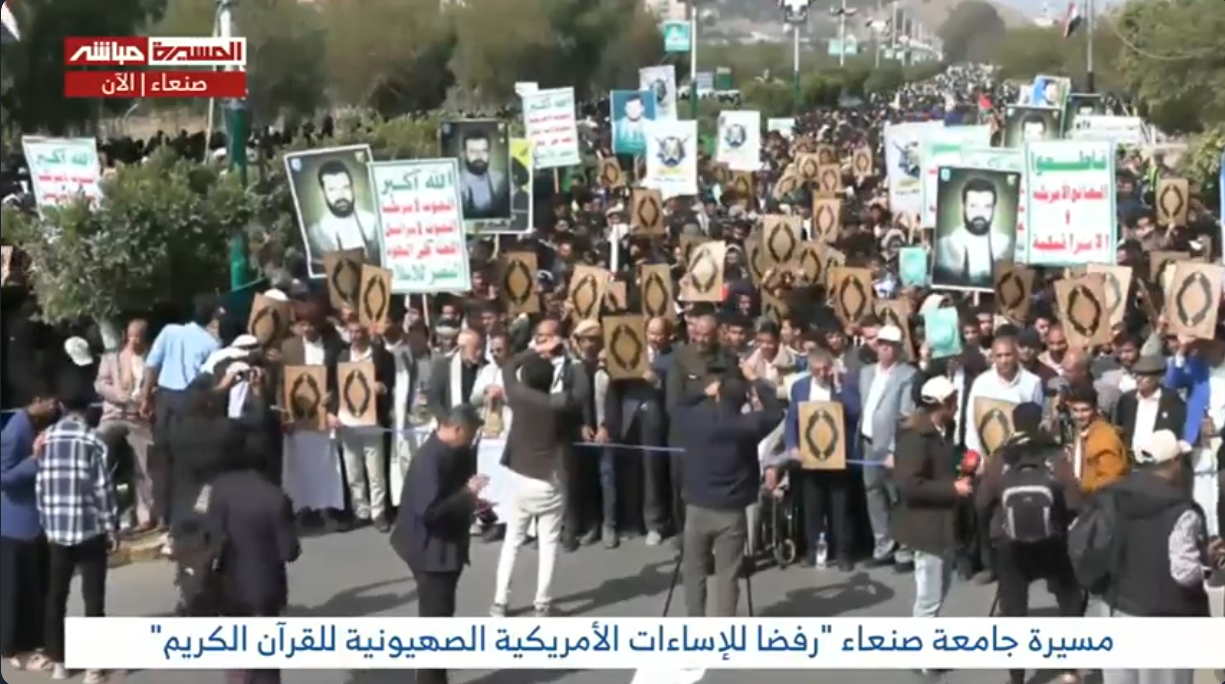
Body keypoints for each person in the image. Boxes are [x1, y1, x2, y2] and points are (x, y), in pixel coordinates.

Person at [1092, 430, 1214, 684]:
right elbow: (1184, 572)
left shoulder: (1114, 495)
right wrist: (1207, 564)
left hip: (1115, 612)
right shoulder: (1181, 510)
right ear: (1174, 462)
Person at [976, 402, 1084, 684]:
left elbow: (981, 502)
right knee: (1070, 599)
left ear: (1014, 424)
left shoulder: (1001, 458)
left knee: (1014, 611)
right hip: (1053, 542)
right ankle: (1069, 667)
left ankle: (1017, 676)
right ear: (1040, 423)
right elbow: (1074, 502)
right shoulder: (1055, 455)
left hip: (1011, 545)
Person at [675, 366, 783, 617]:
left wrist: (703, 392)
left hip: (697, 506)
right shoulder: (747, 425)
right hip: (731, 510)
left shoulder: (695, 420)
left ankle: (695, 620)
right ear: (743, 401)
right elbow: (776, 412)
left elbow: (676, 406)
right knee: (728, 575)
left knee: (694, 571)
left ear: (718, 394)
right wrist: (755, 380)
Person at [390, 405, 485, 684]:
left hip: (442, 549)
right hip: (431, 554)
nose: (470, 442)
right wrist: (467, 495)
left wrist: (471, 500)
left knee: (440, 618)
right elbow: (430, 511)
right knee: (435, 623)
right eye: (469, 435)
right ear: (457, 429)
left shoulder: (450, 452)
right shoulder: (429, 460)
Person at [37, 372, 119, 684]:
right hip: (89, 531)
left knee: (56, 596)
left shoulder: (46, 439)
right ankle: (94, 668)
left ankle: (58, 661)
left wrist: (47, 524)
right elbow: (102, 489)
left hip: (57, 532)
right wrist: (112, 527)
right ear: (88, 408)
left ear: (60, 405)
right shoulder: (93, 440)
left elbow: (41, 487)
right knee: (93, 598)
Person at [205, 420, 300, 684]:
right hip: (266, 591)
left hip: (230, 588)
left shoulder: (219, 488)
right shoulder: (275, 496)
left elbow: (213, 534)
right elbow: (289, 551)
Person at [490, 349, 573, 617]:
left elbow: (507, 367)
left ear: (525, 377)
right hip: (548, 480)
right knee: (549, 544)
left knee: (512, 542)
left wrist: (533, 350)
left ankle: (500, 601)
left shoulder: (518, 396)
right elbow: (580, 392)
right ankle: (542, 604)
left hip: (519, 478)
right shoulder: (557, 404)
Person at [893, 376, 970, 630]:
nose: (957, 405)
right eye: (954, 401)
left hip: (943, 523)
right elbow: (909, 486)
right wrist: (952, 488)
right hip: (926, 527)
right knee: (929, 599)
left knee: (940, 589)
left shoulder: (944, 430)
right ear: (943, 404)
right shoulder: (915, 437)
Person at [779, 348, 860, 570]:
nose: (822, 374)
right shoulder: (800, 387)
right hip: (811, 457)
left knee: (840, 508)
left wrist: (839, 388)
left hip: (838, 457)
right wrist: (792, 446)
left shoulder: (845, 385)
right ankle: (814, 551)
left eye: (825, 369)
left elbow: (855, 413)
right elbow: (792, 419)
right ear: (810, 369)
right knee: (812, 508)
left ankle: (843, 554)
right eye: (817, 370)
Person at [0, 388, 58, 671]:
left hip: (36, 522)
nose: (55, 406)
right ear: (36, 400)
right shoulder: (14, 433)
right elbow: (4, 479)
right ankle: (15, 650)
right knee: (16, 592)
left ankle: (36, 642)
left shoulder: (39, 424)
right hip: (17, 524)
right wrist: (34, 460)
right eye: (51, 401)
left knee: (36, 588)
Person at [857, 324, 917, 568]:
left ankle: (905, 549)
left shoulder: (907, 374)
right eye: (882, 344)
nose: (885, 349)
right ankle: (883, 547)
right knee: (874, 493)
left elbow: (905, 416)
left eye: (891, 345)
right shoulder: (866, 373)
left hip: (891, 445)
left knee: (897, 497)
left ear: (898, 348)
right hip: (868, 441)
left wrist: (894, 449)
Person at [94, 318, 157, 533]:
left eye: (137, 336)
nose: (133, 340)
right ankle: (103, 514)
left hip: (138, 417)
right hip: (112, 415)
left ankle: (145, 516)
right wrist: (117, 394)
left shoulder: (152, 359)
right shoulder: (112, 358)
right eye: (130, 336)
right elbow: (100, 383)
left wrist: (148, 397)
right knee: (98, 452)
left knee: (145, 465)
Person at [932, 176, 1015, 289]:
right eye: (973, 206)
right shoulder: (943, 247)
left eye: (987, 207)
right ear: (964, 207)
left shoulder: (1007, 247)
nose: (980, 213)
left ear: (994, 209)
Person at [304, 159, 380, 267]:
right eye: (332, 190)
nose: (341, 195)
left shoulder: (372, 222)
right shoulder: (317, 234)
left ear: (352, 189)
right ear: (323, 193)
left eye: (345, 187)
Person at [1065, 383, 1129, 493]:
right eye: (1075, 410)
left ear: (1095, 409)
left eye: (1085, 410)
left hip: (1097, 499)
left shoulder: (1106, 438)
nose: (1079, 416)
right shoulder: (1081, 429)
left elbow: (1110, 480)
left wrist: (1083, 487)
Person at [457, 129, 509, 220]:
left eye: (484, 151)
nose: (479, 156)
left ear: (489, 153)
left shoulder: (500, 180)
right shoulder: (456, 183)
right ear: (463, 154)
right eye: (473, 151)